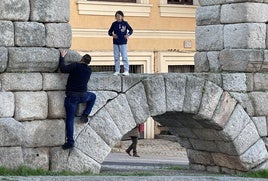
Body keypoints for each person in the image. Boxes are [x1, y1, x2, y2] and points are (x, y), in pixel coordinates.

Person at [59, 50, 96, 150]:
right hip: (83, 96)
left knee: (70, 120)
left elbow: (63, 69)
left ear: (81, 59)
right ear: (88, 62)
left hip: (72, 97)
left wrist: (62, 57)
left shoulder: (75, 65)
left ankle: (70, 141)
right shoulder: (89, 70)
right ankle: (85, 114)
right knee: (93, 97)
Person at [108, 10, 133, 76]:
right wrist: (112, 35)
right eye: (117, 16)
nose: (118, 17)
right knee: (116, 57)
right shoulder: (114, 24)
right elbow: (109, 32)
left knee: (124, 56)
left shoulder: (125, 23)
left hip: (123, 42)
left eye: (119, 16)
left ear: (122, 16)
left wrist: (128, 34)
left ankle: (126, 70)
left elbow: (131, 30)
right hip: (115, 43)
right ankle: (117, 70)